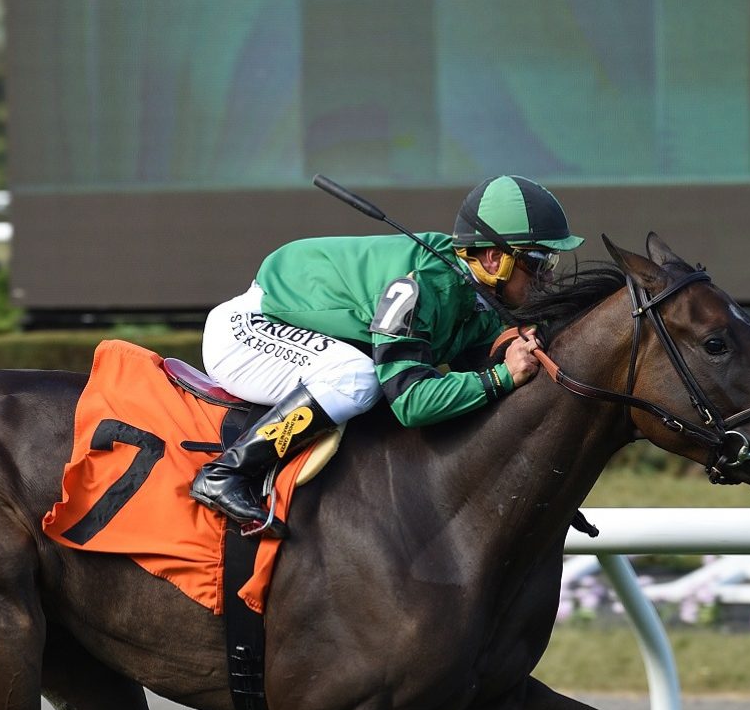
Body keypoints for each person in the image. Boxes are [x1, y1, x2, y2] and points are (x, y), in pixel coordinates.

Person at [189, 174, 584, 536]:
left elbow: (478, 398)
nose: (547, 278)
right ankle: (227, 473)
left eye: (550, 262)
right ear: (495, 259)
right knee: (357, 377)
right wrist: (500, 376)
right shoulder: (417, 287)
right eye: (537, 263)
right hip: (245, 332)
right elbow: (411, 401)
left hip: (294, 332)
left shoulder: (478, 297)